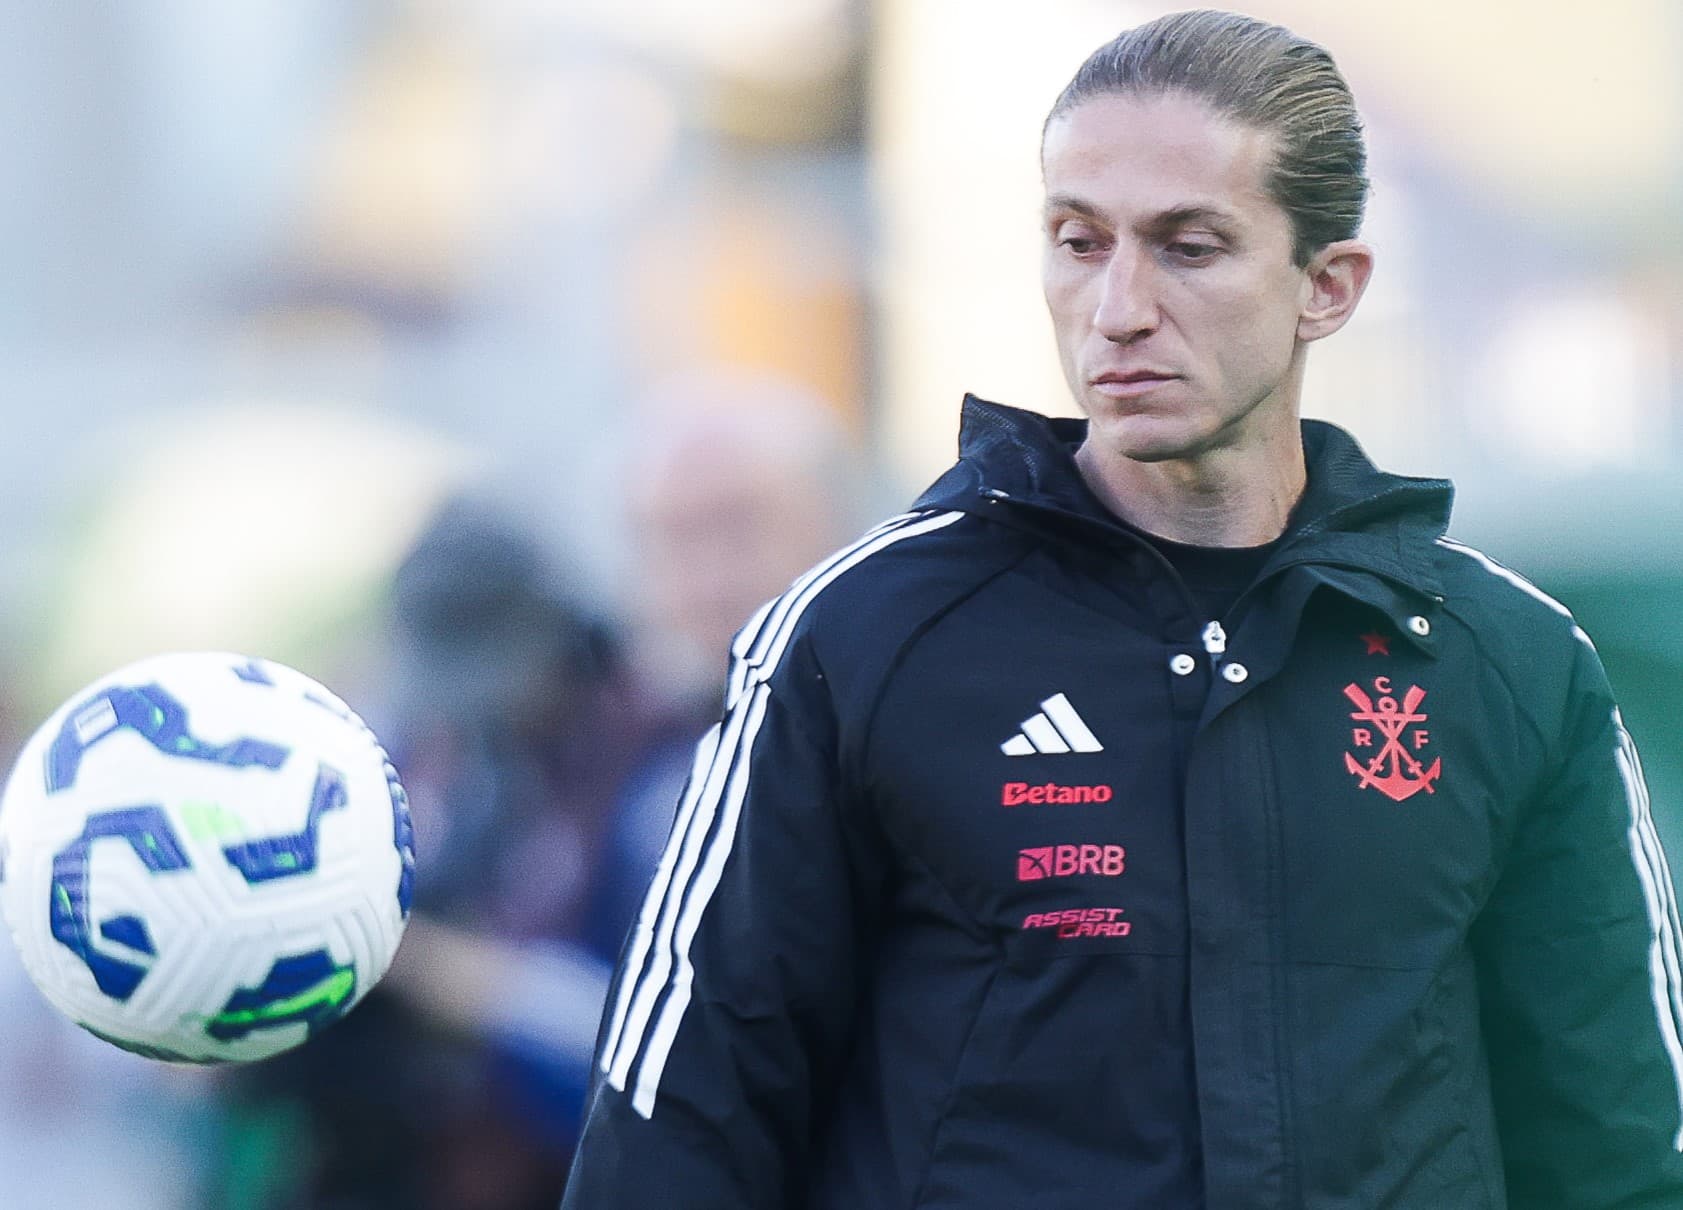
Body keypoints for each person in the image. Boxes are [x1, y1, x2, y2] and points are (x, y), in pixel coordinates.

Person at [561, 11, 1683, 1208]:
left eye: (1189, 247)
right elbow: (674, 1141)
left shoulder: (1506, 660)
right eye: (1078, 241)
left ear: (1328, 286)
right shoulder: (857, 637)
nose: (1118, 307)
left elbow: (1620, 1149)